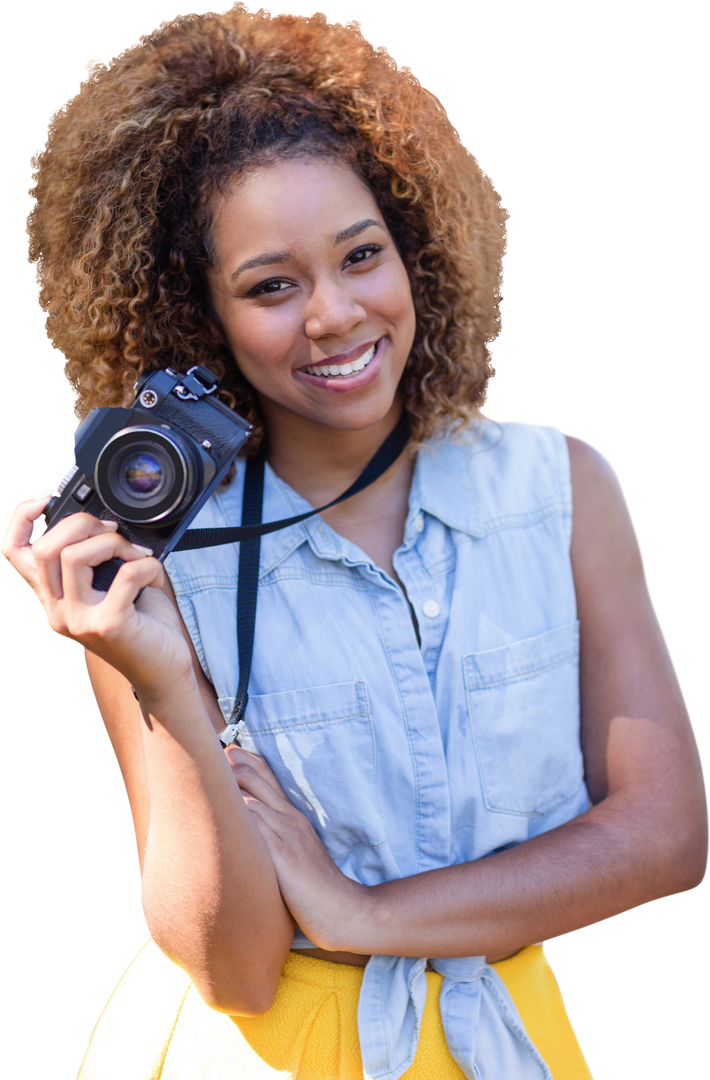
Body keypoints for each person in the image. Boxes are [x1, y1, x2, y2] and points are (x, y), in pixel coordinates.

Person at [3, 4, 706, 1078]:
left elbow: (663, 839)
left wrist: (357, 909)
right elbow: (234, 969)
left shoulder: (559, 486)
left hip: (503, 1041)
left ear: (413, 249)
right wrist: (159, 683)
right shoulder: (151, 563)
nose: (333, 315)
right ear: (201, 317)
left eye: (359, 255)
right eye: (271, 285)